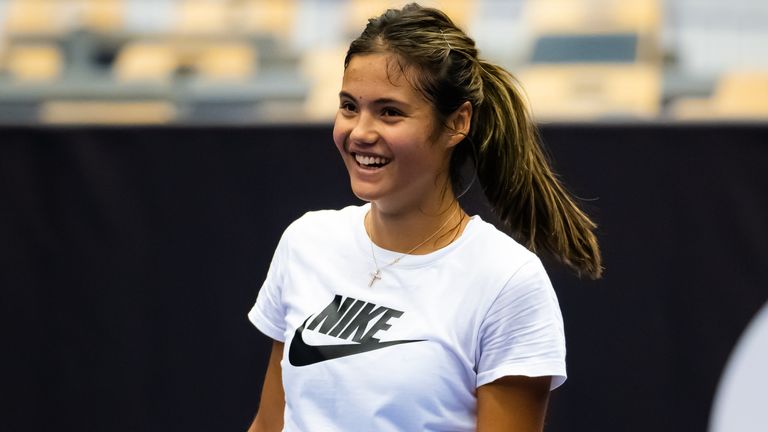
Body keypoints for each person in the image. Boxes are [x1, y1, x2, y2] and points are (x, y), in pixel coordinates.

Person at [247, 3, 601, 431]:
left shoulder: (507, 281)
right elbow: (270, 424)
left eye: (390, 112)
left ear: (457, 122)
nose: (360, 132)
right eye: (349, 106)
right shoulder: (305, 242)